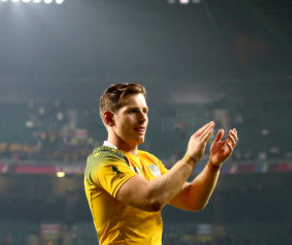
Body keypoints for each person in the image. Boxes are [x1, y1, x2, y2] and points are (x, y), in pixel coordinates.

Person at [84, 83, 238, 244]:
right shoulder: (103, 160)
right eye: (132, 111)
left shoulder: (149, 160)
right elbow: (150, 199)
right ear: (109, 118)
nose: (143, 118)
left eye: (144, 111)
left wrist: (213, 165)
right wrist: (190, 158)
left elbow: (191, 200)